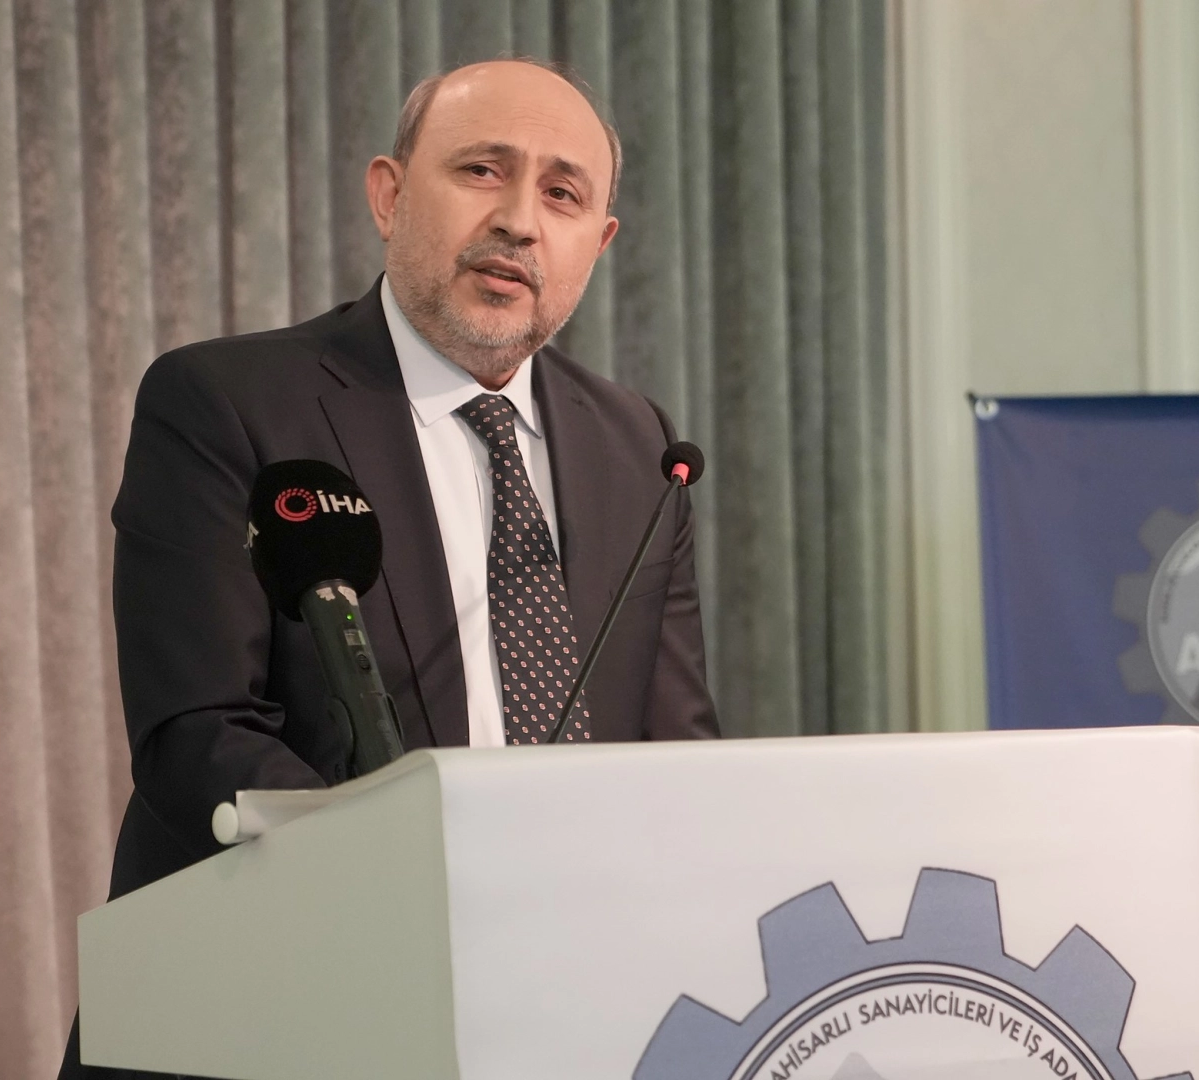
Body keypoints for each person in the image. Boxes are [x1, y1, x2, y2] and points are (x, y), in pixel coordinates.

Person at [60, 59, 717, 1080]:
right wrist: (433, 885)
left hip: (554, 1006)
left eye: (562, 193)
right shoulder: (228, 403)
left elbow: (674, 754)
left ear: (599, 242)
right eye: (482, 170)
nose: (519, 221)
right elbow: (199, 736)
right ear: (389, 194)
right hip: (272, 1004)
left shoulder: (638, 445)